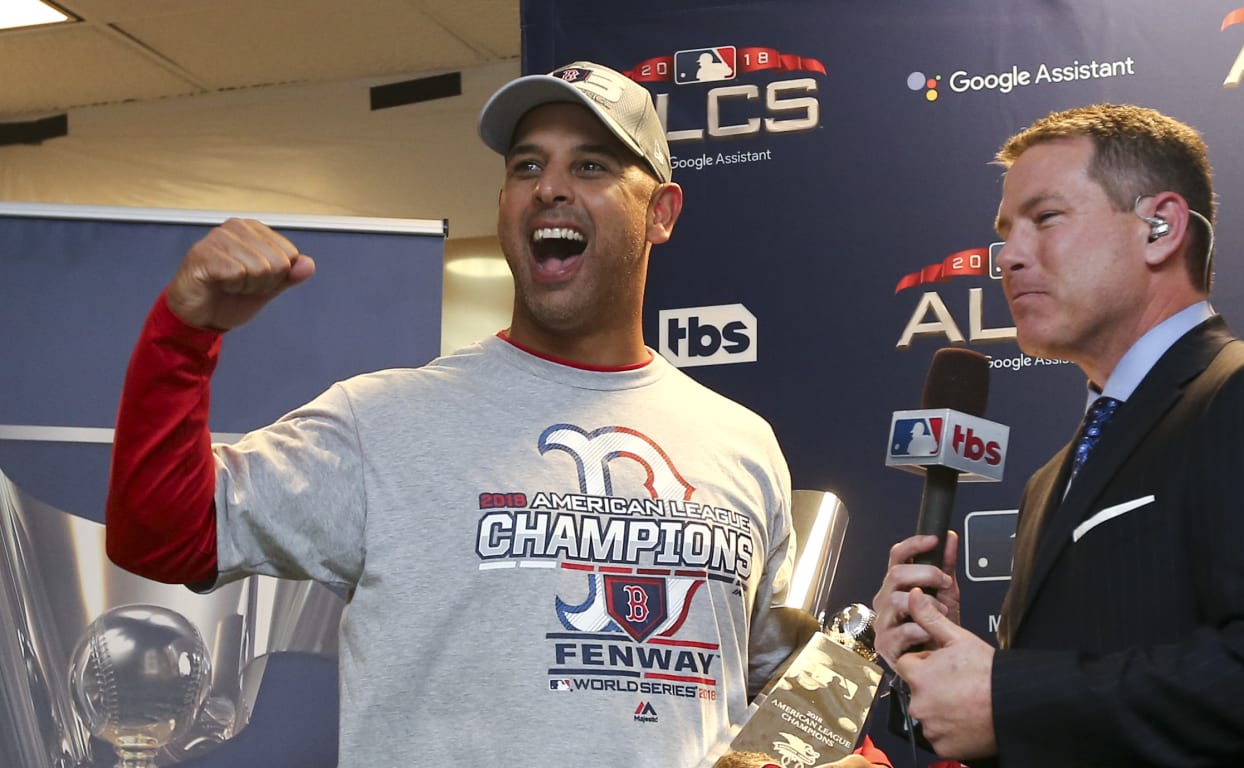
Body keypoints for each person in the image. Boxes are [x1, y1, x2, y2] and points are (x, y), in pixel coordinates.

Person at [105, 60, 837, 767]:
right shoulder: (384, 422)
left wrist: (840, 730)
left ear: (662, 213)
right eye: (526, 166)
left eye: (590, 166)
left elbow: (759, 701)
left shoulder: (742, 445)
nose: (550, 187)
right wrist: (184, 331)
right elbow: (161, 536)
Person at [871, 104, 1244, 767]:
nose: (1009, 256)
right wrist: (940, 669)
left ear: (1160, 227)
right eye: (1005, 231)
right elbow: (1067, 720)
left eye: (1046, 219)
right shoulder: (1050, 479)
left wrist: (1008, 696)